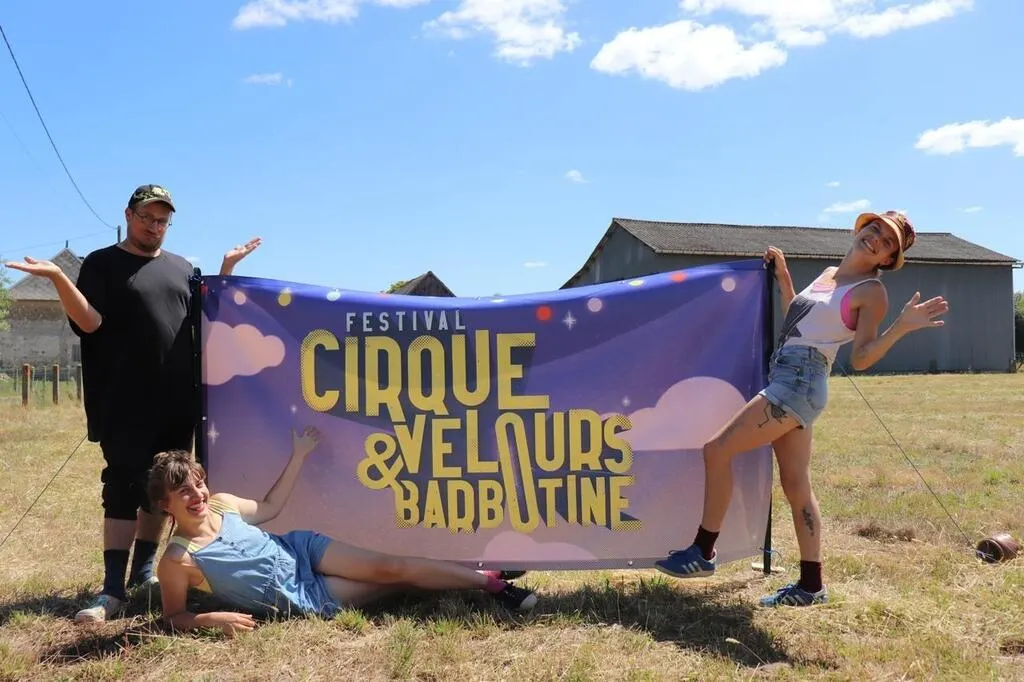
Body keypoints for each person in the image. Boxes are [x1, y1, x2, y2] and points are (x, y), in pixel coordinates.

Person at [653, 210, 949, 606]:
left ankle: (703, 551)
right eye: (874, 228)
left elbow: (861, 357)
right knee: (797, 487)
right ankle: (812, 585)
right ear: (861, 228)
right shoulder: (829, 274)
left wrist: (901, 326)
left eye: (887, 242)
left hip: (800, 381)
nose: (876, 238)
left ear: (888, 259)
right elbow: (800, 317)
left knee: (716, 449)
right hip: (790, 375)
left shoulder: (871, 291)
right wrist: (784, 277)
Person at [4, 184, 262, 623]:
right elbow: (89, 322)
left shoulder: (182, 268)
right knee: (123, 486)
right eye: (146, 217)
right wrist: (59, 278)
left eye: (162, 220)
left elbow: (207, 319)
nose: (154, 226)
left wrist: (226, 269)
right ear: (128, 215)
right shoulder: (101, 264)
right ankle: (111, 590)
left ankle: (143, 574)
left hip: (178, 401)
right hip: (123, 400)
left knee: (161, 490)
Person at [149, 427, 537, 636]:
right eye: (183, 491)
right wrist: (212, 619)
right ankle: (477, 573)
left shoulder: (223, 503)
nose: (197, 495)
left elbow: (270, 507)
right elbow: (173, 616)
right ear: (166, 504)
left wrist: (299, 455)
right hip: (300, 596)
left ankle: (492, 583)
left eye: (199, 483)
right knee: (396, 583)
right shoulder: (177, 559)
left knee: (391, 566)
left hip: (302, 550)